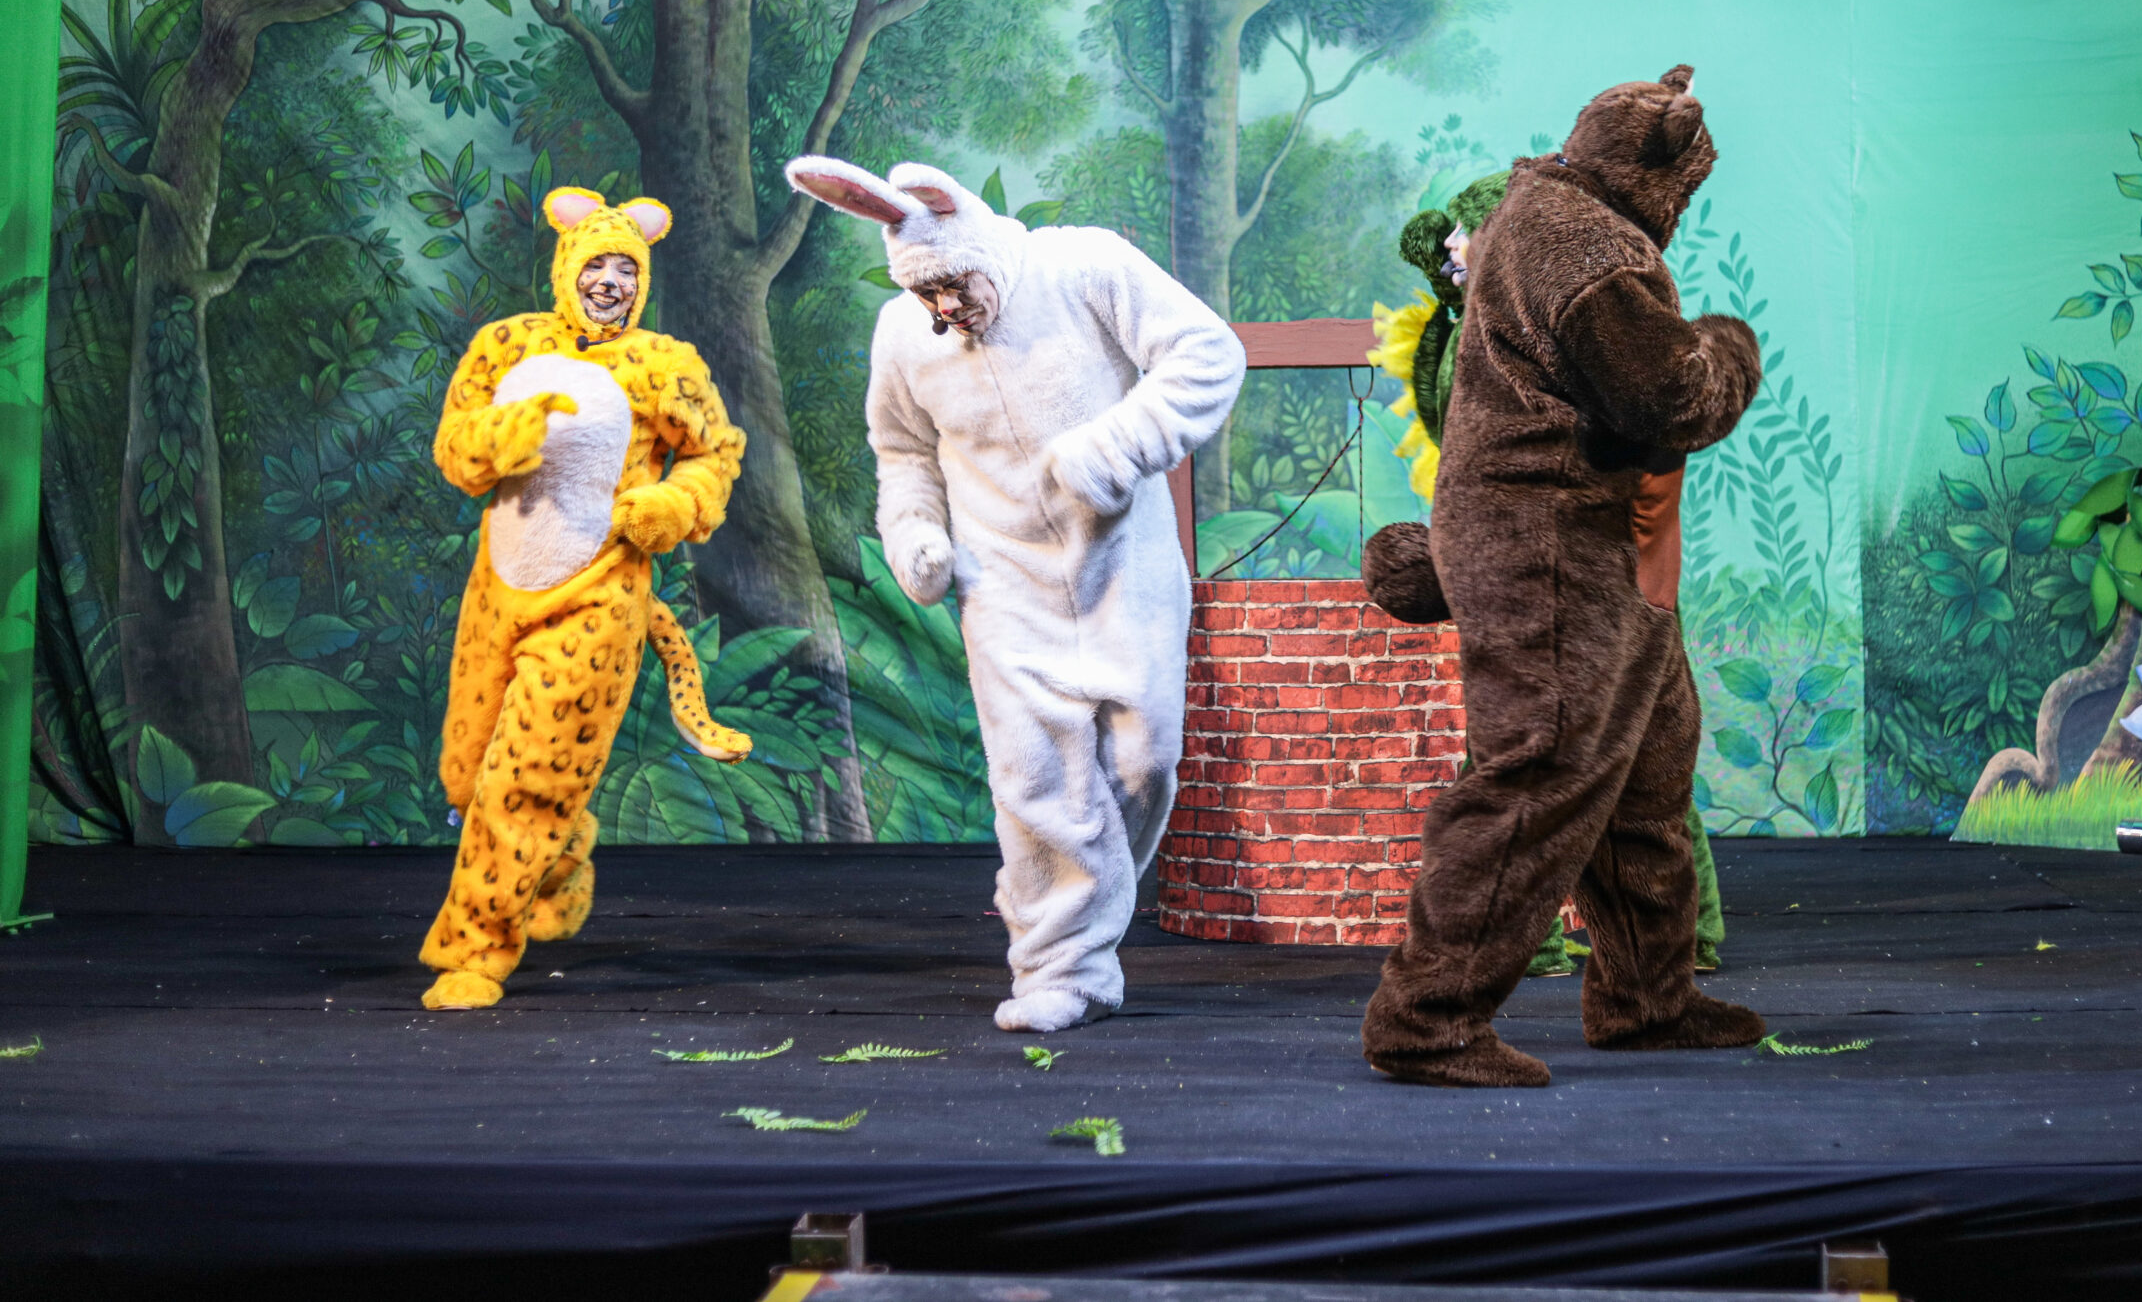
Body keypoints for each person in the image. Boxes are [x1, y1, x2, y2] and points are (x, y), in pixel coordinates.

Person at [1358, 66, 1764, 1087]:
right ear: (1655, 171)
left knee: (1644, 778)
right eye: (1686, 186)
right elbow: (1671, 397)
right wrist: (1730, 347)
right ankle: (1427, 1020)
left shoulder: (1546, 214)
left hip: (1604, 545)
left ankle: (1647, 1000)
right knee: (1536, 772)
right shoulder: (1582, 249)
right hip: (1549, 548)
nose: (1684, 208)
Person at [786, 155, 1244, 1033]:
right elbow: (903, 454)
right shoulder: (903, 334)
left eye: (956, 285)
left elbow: (1208, 353)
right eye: (927, 294)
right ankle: (1061, 969)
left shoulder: (1085, 264)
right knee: (1035, 781)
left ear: (983, 248)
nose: (946, 307)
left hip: (1124, 568)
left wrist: (1112, 449)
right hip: (1001, 582)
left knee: (1144, 763)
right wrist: (914, 534)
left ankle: (1076, 908)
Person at [1372, 177, 1727, 979]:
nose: (1454, 243)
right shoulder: (1499, 324)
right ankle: (1649, 935)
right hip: (1554, 565)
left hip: (1578, 568)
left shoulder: (1567, 328)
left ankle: (1555, 940)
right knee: (1608, 757)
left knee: (1576, 758)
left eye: (1473, 228)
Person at [419, 189, 751, 1012]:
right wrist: (502, 436)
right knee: (467, 775)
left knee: (524, 778)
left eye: (625, 268)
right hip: (497, 592)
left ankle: (475, 948)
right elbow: (454, 448)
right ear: (565, 265)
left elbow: (715, 455)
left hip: (599, 601)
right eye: (595, 264)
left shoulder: (665, 364)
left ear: (642, 279)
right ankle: (558, 860)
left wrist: (674, 503)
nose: (610, 281)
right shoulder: (507, 345)